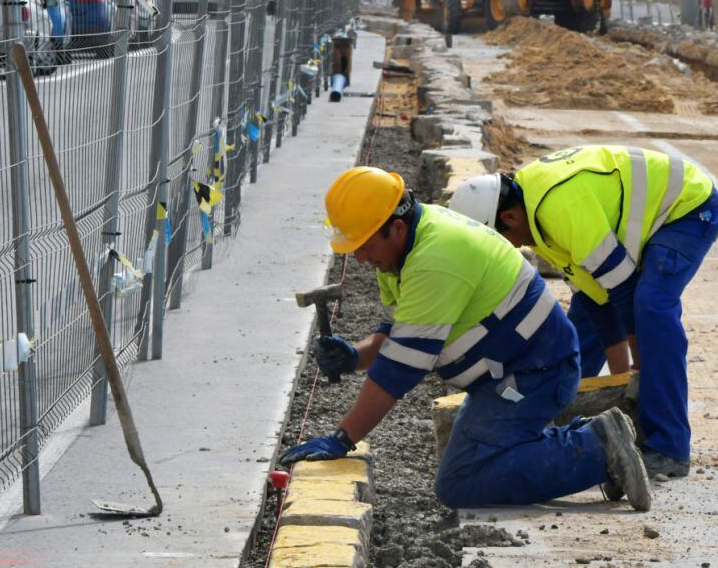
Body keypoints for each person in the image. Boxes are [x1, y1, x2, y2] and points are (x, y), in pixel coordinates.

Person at [279, 166, 651, 511]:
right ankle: (590, 444)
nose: (361, 258)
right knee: (472, 466)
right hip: (509, 376)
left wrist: (343, 438)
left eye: (365, 246)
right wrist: (354, 356)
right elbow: (396, 332)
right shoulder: (402, 250)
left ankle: (597, 450)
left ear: (396, 227)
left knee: (461, 482)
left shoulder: (434, 258)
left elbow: (398, 371)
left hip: (536, 374)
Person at [448, 146, 718, 480]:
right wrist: (622, 384)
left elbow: (622, 290)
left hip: (686, 208)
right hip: (640, 227)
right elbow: (597, 301)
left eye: (503, 242)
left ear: (508, 218)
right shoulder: (530, 216)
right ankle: (553, 426)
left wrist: (637, 374)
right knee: (573, 336)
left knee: (652, 308)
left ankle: (669, 447)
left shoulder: (559, 208)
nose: (512, 249)